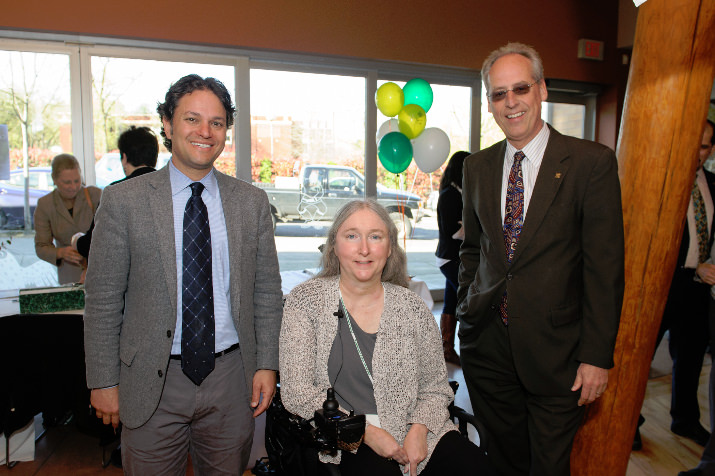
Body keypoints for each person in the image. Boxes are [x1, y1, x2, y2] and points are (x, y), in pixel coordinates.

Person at [83, 74, 283, 475]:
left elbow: (266, 291)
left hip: (231, 378)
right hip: (150, 381)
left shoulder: (252, 203)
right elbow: (103, 298)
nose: (205, 132)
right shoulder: (123, 201)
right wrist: (102, 380)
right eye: (192, 119)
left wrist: (267, 363)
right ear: (168, 125)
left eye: (217, 122)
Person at [456, 42, 625, 475]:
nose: (510, 102)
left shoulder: (591, 164)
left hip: (560, 356)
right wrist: (465, 311)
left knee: (548, 467)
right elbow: (472, 249)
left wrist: (597, 355)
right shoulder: (477, 167)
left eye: (520, 89)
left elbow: (604, 268)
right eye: (498, 94)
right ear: (489, 103)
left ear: (542, 90)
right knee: (504, 461)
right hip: (488, 349)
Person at [280, 199, 494, 476]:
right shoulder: (305, 301)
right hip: (341, 436)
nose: (364, 249)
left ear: (390, 247)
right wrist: (366, 433)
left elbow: (435, 387)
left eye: (375, 237)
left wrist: (419, 429)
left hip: (415, 427)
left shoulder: (412, 307)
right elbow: (298, 392)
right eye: (352, 236)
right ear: (334, 245)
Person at [677, 120, 715, 476]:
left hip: (699, 287)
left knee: (689, 357)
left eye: (705, 147)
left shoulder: (713, 185)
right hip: (663, 284)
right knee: (639, 360)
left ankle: (684, 420)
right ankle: (632, 424)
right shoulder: (665, 180)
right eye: (694, 144)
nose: (698, 153)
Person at [72, 125, 159, 260]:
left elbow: (92, 245)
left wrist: (76, 240)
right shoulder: (170, 187)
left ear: (124, 157)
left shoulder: (115, 192)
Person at [34, 153, 101, 284]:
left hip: (98, 270)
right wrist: (61, 253)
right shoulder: (45, 205)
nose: (74, 186)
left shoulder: (95, 195)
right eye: (67, 182)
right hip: (69, 274)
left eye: (77, 181)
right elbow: (41, 247)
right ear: (54, 179)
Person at [435, 151, 470, 366]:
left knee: (450, 302)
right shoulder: (450, 194)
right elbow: (451, 230)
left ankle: (447, 349)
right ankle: (465, 348)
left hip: (450, 256)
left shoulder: (456, 192)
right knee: (467, 300)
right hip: (450, 257)